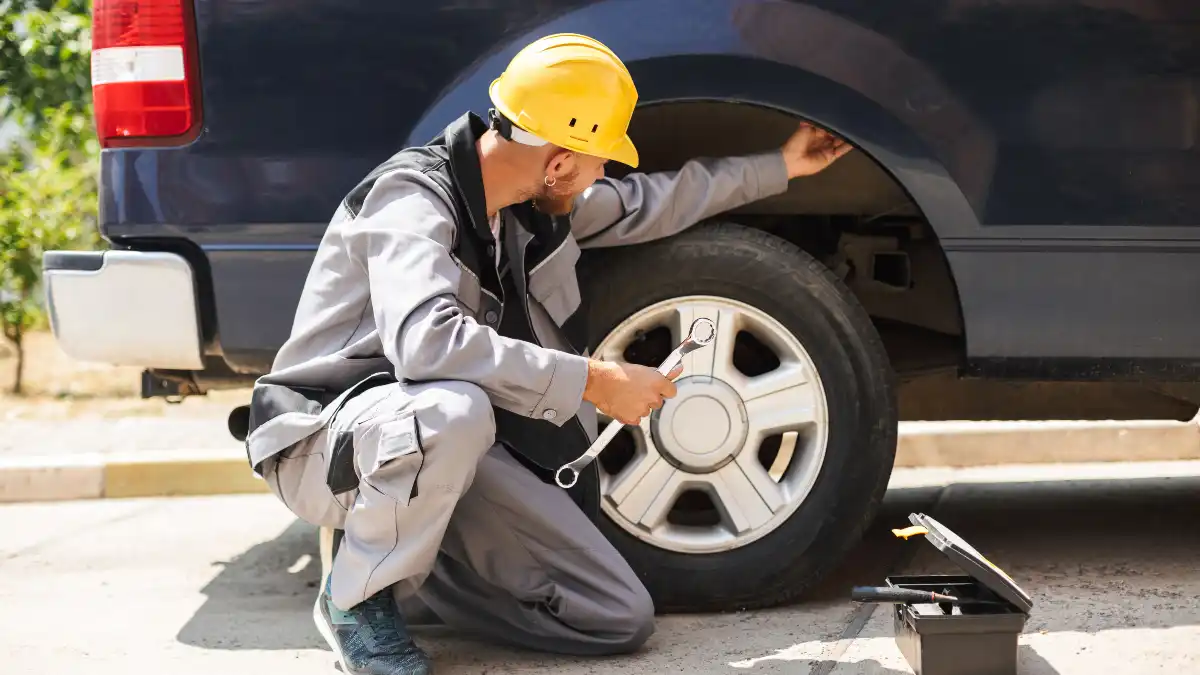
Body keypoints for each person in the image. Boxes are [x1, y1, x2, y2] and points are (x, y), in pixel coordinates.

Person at [243, 33, 852, 675]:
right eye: (600, 161)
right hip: (333, 441)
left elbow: (650, 202)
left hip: (445, 447)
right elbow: (425, 343)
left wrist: (783, 165)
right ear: (559, 162)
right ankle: (356, 602)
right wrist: (593, 380)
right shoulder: (412, 200)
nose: (605, 175)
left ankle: (404, 563)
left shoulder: (528, 205)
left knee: (615, 615)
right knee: (454, 411)